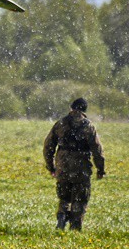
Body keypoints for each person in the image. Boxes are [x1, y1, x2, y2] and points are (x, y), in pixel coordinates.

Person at [43, 98, 106, 231]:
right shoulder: (88, 126)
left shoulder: (60, 124)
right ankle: (75, 229)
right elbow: (97, 150)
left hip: (62, 166)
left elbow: (48, 146)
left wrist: (51, 166)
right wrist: (100, 169)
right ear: (84, 110)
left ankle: (61, 218)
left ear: (71, 108)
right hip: (81, 168)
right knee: (80, 199)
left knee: (64, 198)